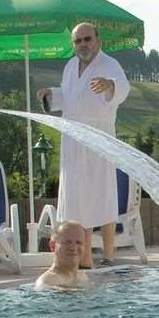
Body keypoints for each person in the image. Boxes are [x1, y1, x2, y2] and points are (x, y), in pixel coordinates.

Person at [37, 22, 130, 269]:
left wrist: (110, 86)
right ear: (73, 45)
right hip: (72, 138)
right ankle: (84, 256)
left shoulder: (110, 65)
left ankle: (109, 255)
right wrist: (51, 95)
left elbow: (122, 87)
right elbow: (69, 97)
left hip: (98, 137)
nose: (83, 45)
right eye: (78, 41)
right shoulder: (70, 67)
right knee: (77, 196)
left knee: (103, 194)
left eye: (87, 39)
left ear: (97, 40)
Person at [35, 221, 90, 289]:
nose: (74, 248)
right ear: (53, 246)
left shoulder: (82, 277)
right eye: (67, 242)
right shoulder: (49, 280)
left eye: (79, 242)